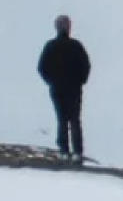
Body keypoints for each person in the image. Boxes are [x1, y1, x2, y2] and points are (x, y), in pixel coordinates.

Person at [36, 14, 91, 162]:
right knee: (74, 120)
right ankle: (77, 152)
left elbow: (42, 68)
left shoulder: (51, 46)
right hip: (73, 88)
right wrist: (81, 81)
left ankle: (64, 151)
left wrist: (51, 81)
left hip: (57, 88)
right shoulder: (76, 46)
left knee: (62, 119)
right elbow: (86, 65)